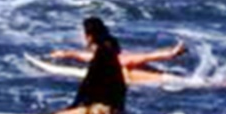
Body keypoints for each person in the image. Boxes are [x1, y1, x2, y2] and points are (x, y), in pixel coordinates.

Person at [53, 17, 127, 114]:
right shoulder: (109, 52)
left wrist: (71, 108)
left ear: (90, 36)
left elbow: (87, 86)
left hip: (105, 111)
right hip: (118, 111)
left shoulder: (100, 57)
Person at [50, 32, 188, 81]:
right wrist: (66, 54)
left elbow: (148, 56)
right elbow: (86, 57)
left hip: (168, 81)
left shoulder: (120, 60)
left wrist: (171, 54)